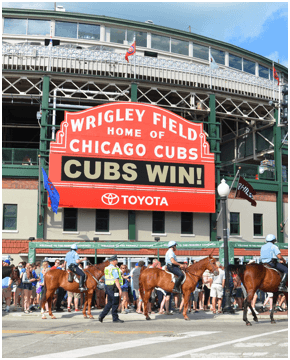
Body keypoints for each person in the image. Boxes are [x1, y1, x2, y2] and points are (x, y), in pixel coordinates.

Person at [98, 255, 124, 323]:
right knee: (115, 302)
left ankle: (101, 316)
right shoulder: (114, 269)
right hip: (114, 287)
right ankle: (115, 318)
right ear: (113, 261)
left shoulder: (107, 268)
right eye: (116, 260)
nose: (117, 261)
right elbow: (116, 280)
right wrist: (120, 289)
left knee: (110, 302)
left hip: (108, 286)